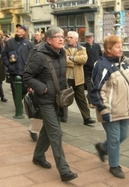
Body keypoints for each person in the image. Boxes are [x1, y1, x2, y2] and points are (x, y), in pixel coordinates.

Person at [23, 27, 78, 182]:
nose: (62, 39)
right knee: (56, 133)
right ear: (48, 40)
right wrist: (42, 88)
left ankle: (38, 156)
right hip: (45, 99)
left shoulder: (62, 53)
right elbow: (26, 75)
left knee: (48, 130)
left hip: (58, 99)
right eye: (57, 37)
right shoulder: (40, 56)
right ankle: (64, 170)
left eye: (63, 37)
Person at [90, 35, 129, 179]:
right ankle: (114, 165)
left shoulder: (123, 64)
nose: (121, 49)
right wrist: (104, 110)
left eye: (121, 46)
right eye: (117, 47)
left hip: (123, 109)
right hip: (110, 111)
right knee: (114, 139)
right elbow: (97, 90)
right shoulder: (102, 66)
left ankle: (102, 147)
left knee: (123, 135)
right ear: (108, 49)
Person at [63, 31, 95, 125]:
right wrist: (76, 61)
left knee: (82, 99)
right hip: (67, 77)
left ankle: (87, 118)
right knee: (64, 97)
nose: (68, 39)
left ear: (76, 39)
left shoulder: (82, 49)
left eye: (71, 37)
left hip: (78, 79)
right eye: (68, 37)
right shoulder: (63, 48)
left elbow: (84, 60)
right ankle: (63, 116)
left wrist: (71, 58)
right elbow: (63, 60)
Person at [1, 24, 32, 109]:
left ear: (24, 32)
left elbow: (33, 57)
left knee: (24, 89)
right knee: (15, 90)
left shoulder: (28, 44)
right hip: (13, 72)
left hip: (25, 72)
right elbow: (4, 55)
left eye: (20, 28)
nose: (18, 29)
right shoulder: (10, 42)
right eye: (17, 28)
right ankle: (18, 108)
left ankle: (19, 101)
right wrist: (8, 65)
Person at [26, 31, 44, 141]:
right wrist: (30, 84)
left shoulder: (60, 51)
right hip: (40, 84)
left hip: (54, 86)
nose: (61, 39)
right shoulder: (36, 49)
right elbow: (29, 67)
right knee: (40, 110)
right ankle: (33, 129)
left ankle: (52, 131)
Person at [83, 32, 102, 108]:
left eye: (90, 38)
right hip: (87, 70)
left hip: (96, 70)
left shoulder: (97, 46)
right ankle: (91, 102)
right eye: (87, 38)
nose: (89, 39)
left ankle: (94, 99)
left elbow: (101, 56)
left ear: (93, 38)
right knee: (89, 86)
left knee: (96, 86)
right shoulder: (83, 47)